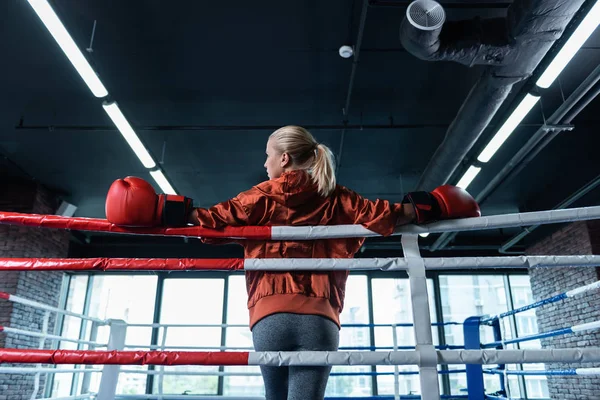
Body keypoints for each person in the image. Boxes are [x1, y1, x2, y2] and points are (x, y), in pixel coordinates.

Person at [105, 125, 480, 400]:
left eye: (268, 153)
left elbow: (208, 219)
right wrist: (435, 205)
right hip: (320, 319)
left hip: (270, 316)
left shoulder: (258, 198)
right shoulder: (340, 198)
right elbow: (394, 214)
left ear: (283, 158)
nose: (264, 161)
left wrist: (157, 208)